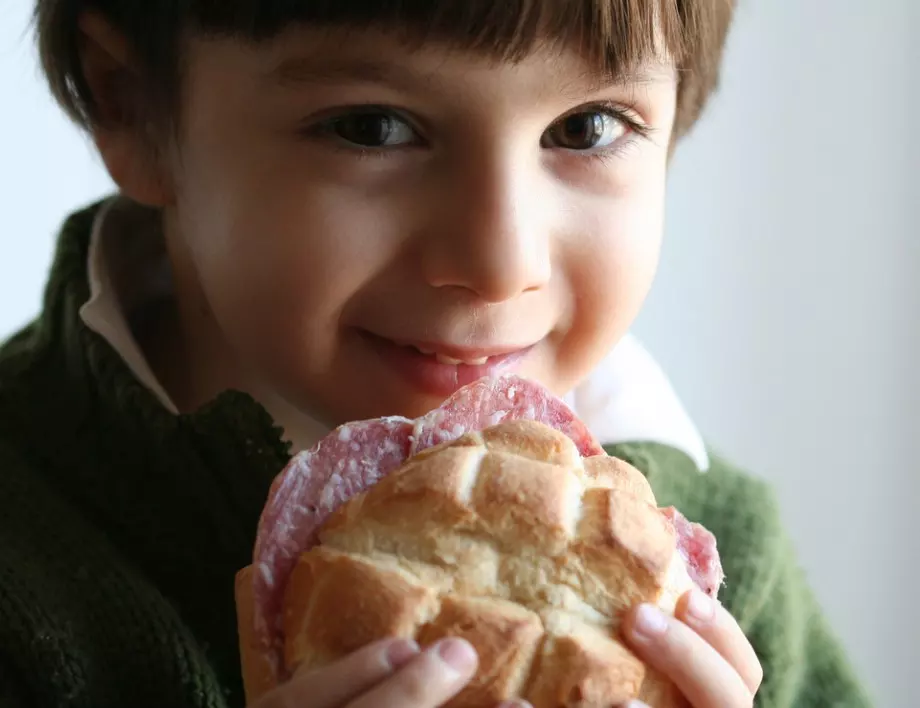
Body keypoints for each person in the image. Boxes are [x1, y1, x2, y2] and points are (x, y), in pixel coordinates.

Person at [0, 1, 871, 707]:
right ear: (133, 105)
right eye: (374, 128)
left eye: (586, 127)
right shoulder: (27, 569)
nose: (500, 265)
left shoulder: (730, 574)